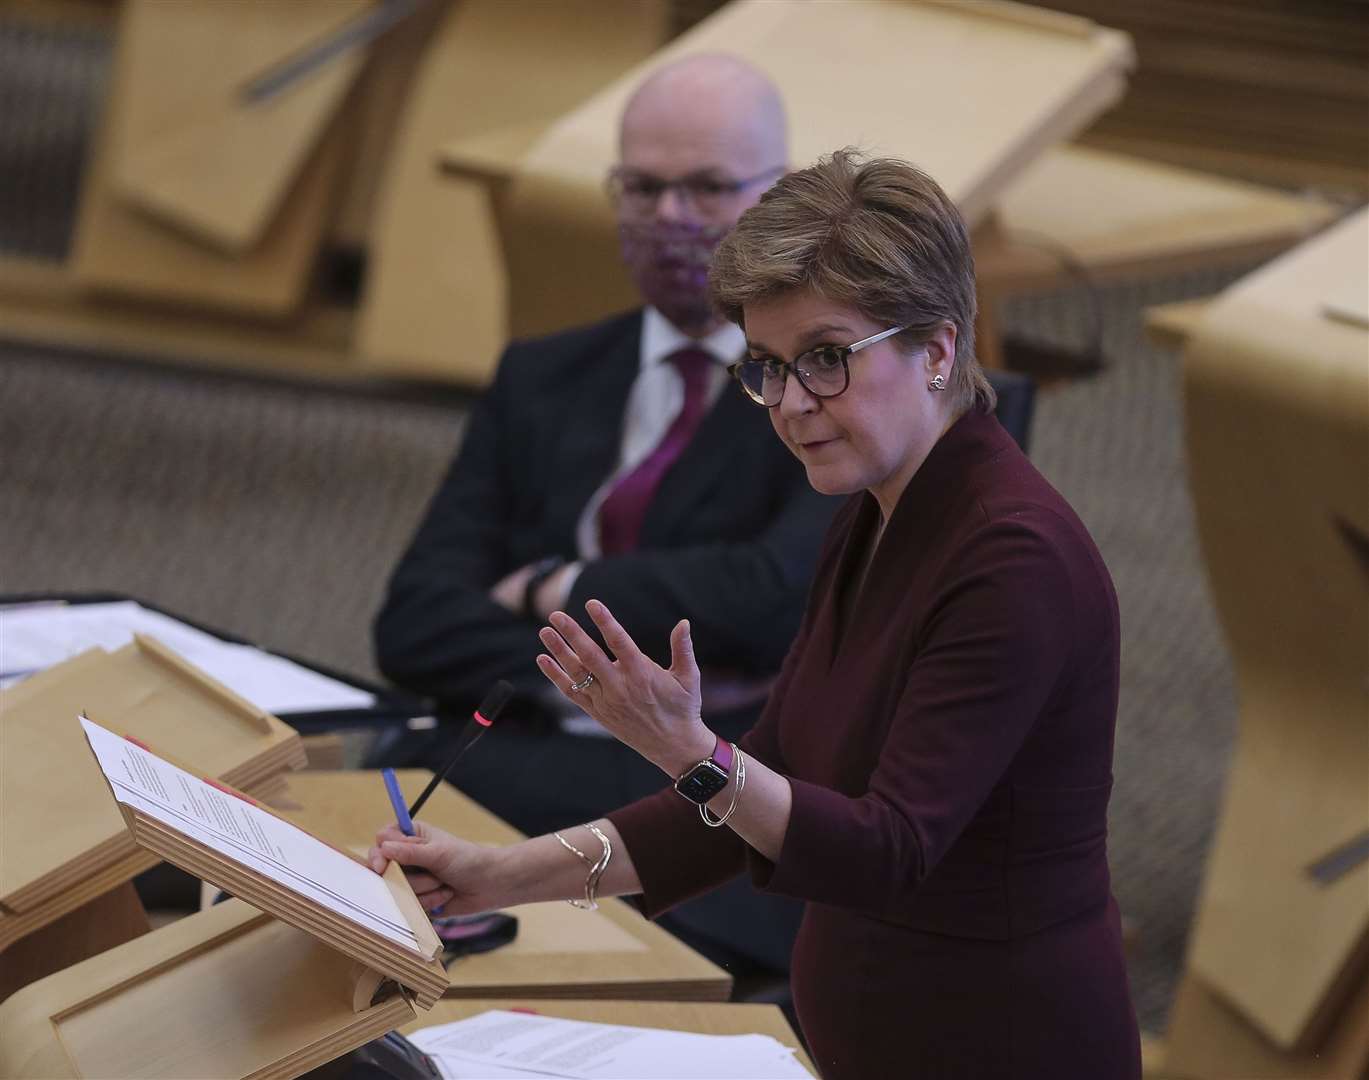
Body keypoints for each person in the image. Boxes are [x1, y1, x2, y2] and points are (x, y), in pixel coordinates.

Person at [371, 150, 1141, 1077]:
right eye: (769, 368)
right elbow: (752, 797)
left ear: (935, 349)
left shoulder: (1012, 561)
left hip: (998, 1044)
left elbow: (886, 853)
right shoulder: (874, 508)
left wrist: (691, 753)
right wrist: (500, 875)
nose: (791, 405)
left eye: (826, 360)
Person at [371, 55, 835, 974]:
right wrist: (601, 689)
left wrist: (553, 586)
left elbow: (769, 599)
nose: (669, 218)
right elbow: (416, 621)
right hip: (524, 749)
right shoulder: (542, 376)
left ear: (778, 196)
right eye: (642, 187)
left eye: (705, 188)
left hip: (726, 792)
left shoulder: (823, 390)